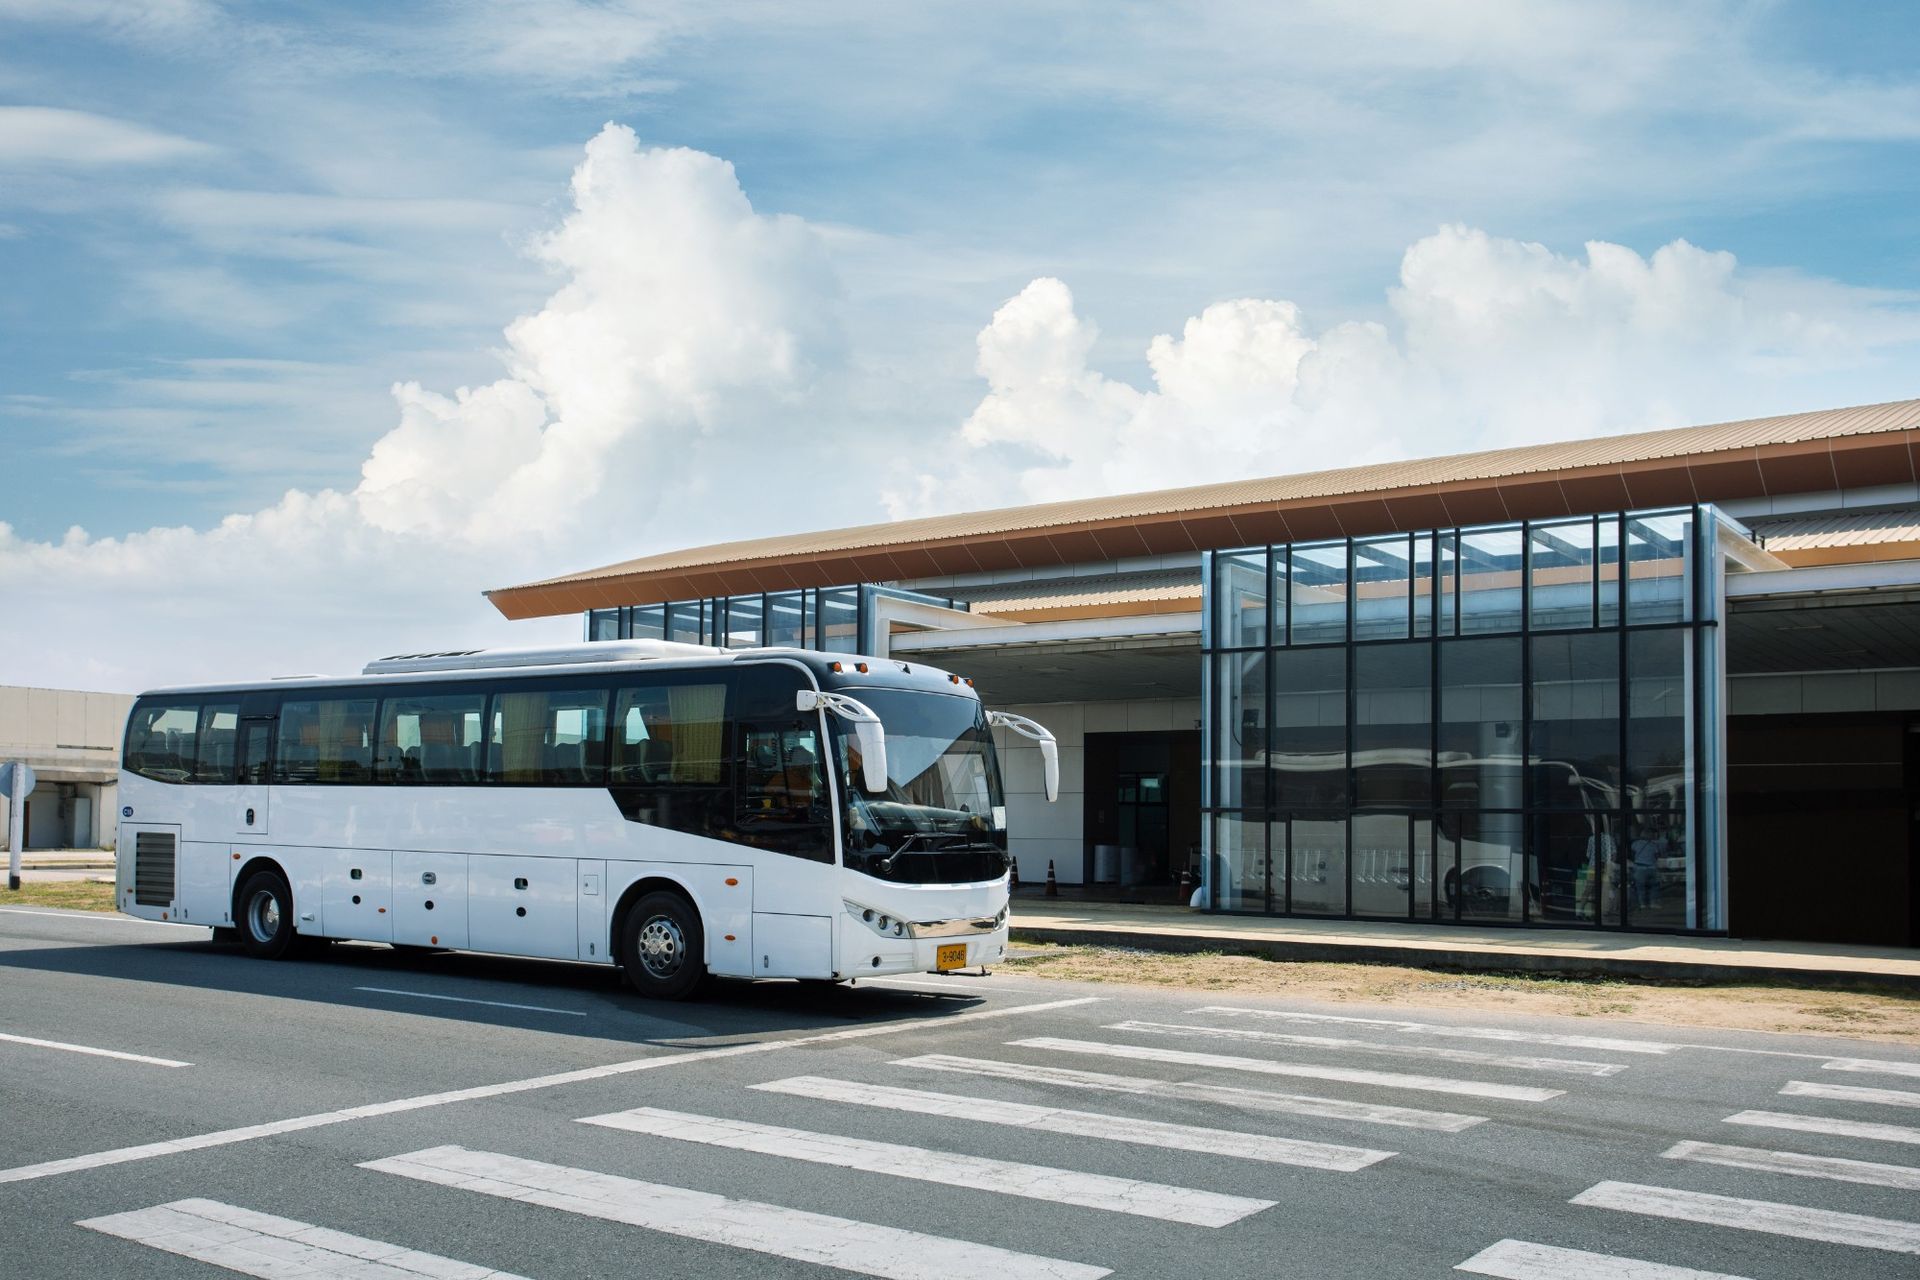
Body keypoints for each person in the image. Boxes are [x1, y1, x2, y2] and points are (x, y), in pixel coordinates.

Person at [1630, 824, 1663, 910]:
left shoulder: (1635, 844)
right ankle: (1653, 903)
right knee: (1654, 886)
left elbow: (1632, 854)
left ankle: (1642, 904)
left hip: (1639, 868)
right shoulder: (1654, 845)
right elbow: (1657, 856)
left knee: (1640, 888)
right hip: (1652, 868)